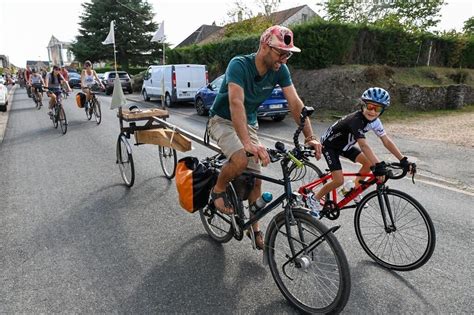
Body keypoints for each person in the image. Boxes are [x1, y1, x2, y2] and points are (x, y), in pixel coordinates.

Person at [207, 25, 322, 250]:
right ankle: (218, 189)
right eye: (281, 53)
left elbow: (295, 103)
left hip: (247, 123)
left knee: (255, 179)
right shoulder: (239, 64)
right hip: (222, 119)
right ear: (264, 46)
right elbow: (236, 103)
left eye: (288, 54)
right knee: (241, 159)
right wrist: (248, 144)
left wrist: (310, 137)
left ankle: (255, 228)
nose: (285, 59)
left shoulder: (280, 69)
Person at [310, 87, 414, 212]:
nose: (373, 111)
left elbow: (386, 141)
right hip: (330, 146)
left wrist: (403, 160)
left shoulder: (375, 121)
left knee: (369, 163)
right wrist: (379, 165)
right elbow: (363, 146)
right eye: (370, 106)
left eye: (378, 109)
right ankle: (314, 199)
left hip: (345, 146)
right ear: (363, 105)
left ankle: (352, 188)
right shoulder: (356, 120)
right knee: (338, 180)